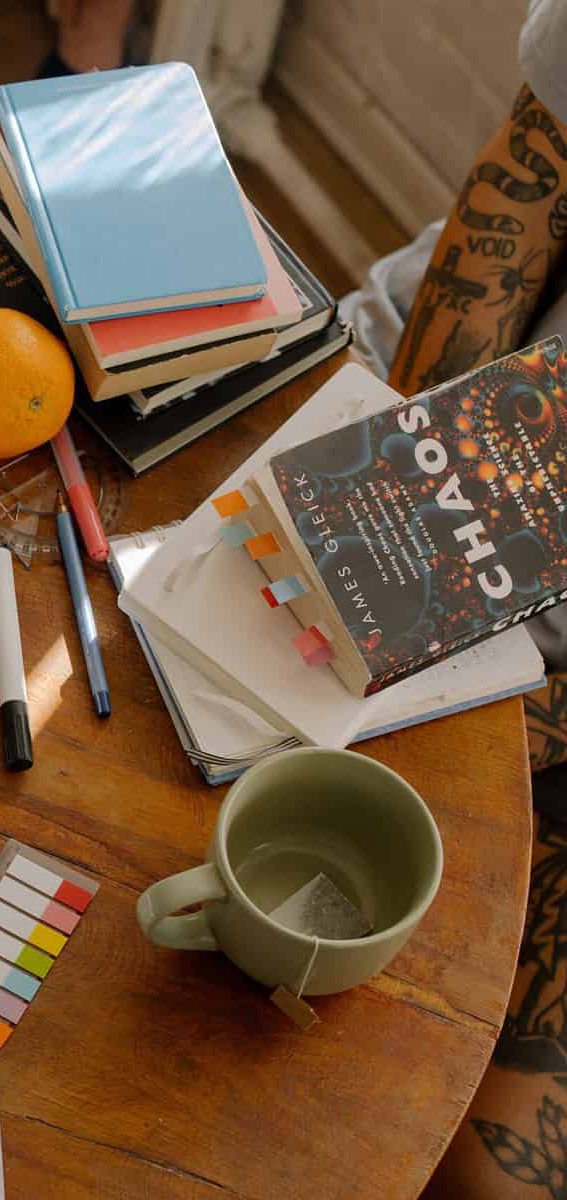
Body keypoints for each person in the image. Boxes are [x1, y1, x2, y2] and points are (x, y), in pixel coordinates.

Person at [340, 3, 567, 1196]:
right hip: (409, 449)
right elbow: (533, 183)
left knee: (483, 1176)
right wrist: (413, 542)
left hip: (554, 727)